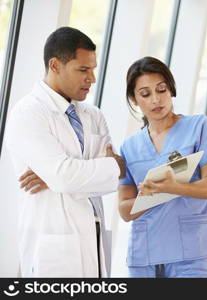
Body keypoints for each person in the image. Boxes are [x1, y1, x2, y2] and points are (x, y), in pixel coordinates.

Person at [5, 27, 125, 277]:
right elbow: (65, 176)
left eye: (92, 69)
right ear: (55, 65)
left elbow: (115, 175)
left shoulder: (93, 115)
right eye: (83, 70)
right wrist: (63, 176)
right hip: (54, 248)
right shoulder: (28, 113)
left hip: (93, 237)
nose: (91, 78)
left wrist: (58, 175)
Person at [118, 56, 207, 278]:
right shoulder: (129, 147)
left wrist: (172, 187)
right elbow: (124, 210)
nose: (155, 100)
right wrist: (149, 195)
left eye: (161, 90)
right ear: (134, 100)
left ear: (171, 90)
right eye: (145, 94)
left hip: (192, 252)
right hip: (145, 255)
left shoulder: (198, 127)